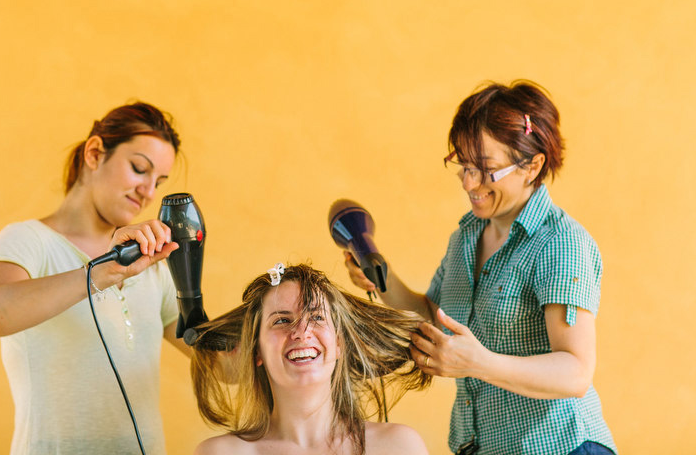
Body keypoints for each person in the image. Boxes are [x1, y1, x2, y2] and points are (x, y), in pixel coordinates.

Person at [342, 80, 617, 455]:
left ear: (532, 165)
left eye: (486, 170)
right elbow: (431, 315)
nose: (469, 182)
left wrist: (480, 363)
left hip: (562, 447)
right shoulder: (467, 237)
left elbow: (575, 373)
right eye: (464, 165)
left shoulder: (559, 243)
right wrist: (379, 273)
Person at [0, 101, 192, 455]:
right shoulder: (29, 241)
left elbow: (222, 365)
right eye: (139, 169)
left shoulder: (149, 265)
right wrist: (101, 271)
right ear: (94, 153)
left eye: (159, 181)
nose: (149, 191)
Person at [190, 263, 432, 455]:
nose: (301, 332)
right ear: (257, 351)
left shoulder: (400, 447)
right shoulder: (219, 453)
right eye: (281, 320)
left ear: (339, 343)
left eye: (316, 317)